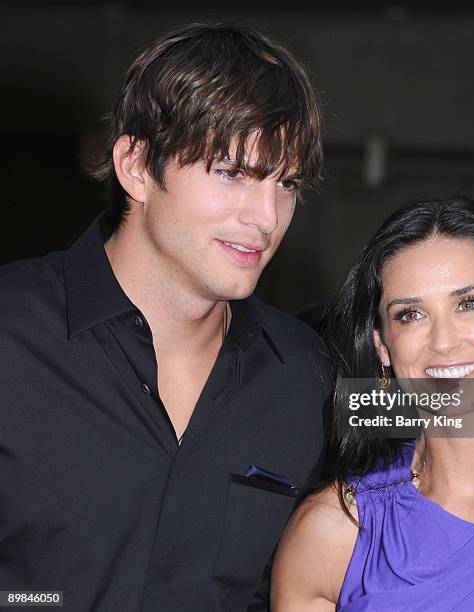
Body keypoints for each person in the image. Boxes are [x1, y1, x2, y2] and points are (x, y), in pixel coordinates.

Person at [0, 22, 331, 611]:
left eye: (287, 185)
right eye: (232, 173)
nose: (266, 217)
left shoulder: (307, 376)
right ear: (135, 166)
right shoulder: (12, 334)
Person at [271, 196, 474, 611]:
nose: (443, 342)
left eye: (469, 304)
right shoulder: (334, 532)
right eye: (410, 315)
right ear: (383, 346)